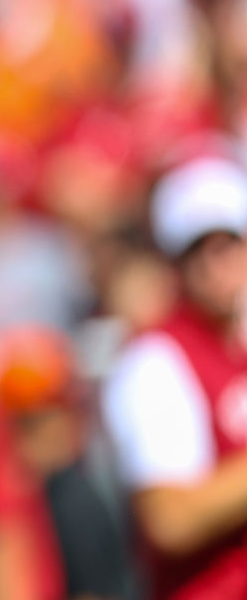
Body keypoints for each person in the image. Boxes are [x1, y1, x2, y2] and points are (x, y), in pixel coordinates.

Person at [101, 154, 247, 599]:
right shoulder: (155, 362)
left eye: (228, 243)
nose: (215, 262)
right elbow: (170, 519)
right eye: (197, 249)